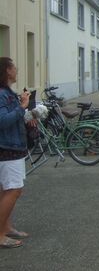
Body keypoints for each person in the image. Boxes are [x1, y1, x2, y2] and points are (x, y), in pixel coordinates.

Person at [0, 57, 33, 248]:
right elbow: (2, 121)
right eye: (13, 66)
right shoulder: (2, 94)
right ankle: (1, 233)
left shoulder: (7, 93)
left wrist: (25, 112)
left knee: (6, 190)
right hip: (8, 150)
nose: (16, 69)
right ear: (6, 71)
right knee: (14, 190)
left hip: (11, 148)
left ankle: (7, 227)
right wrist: (22, 107)